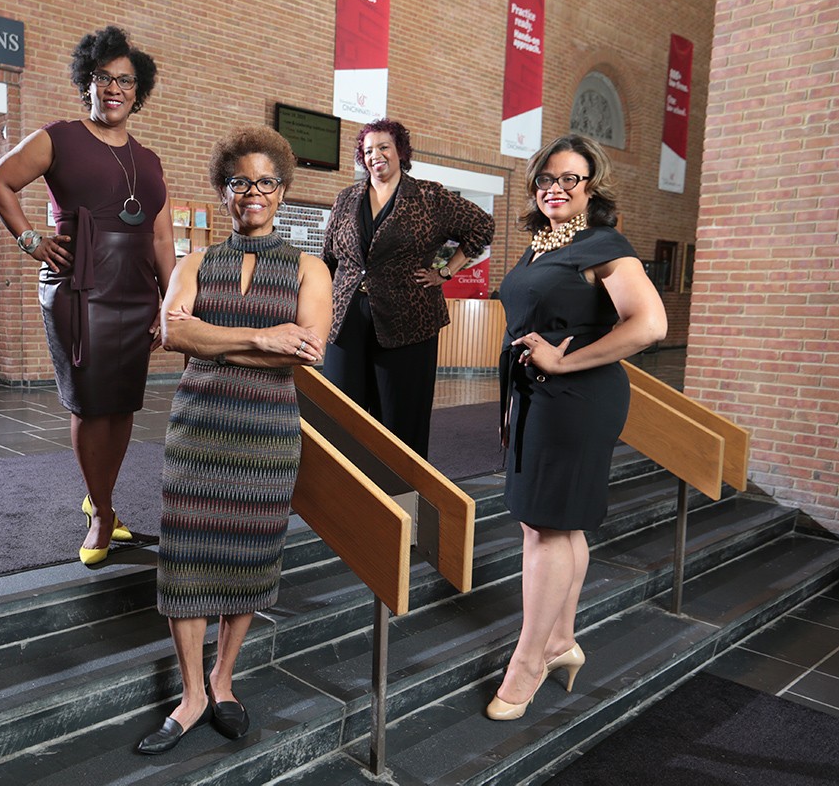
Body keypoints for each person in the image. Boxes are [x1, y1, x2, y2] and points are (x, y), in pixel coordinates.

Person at [135, 127, 332, 754]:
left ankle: (224, 678)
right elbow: (172, 335)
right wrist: (261, 338)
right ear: (224, 191)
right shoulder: (195, 263)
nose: (253, 192)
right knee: (187, 560)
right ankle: (192, 694)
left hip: (267, 437)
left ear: (283, 191)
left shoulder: (310, 267)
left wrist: (218, 337)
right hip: (198, 432)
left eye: (266, 182)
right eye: (240, 182)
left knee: (247, 559)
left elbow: (306, 349)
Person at [488, 134, 667, 720]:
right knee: (556, 527)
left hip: (577, 396)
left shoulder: (604, 244)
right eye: (546, 178)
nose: (555, 188)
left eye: (570, 179)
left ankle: (528, 662)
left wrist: (564, 360)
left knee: (544, 527)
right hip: (537, 397)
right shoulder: (541, 244)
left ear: (592, 187)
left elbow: (649, 325)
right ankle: (561, 639)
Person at [0, 26, 175, 566]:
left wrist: (169, 300)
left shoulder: (150, 159)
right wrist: (30, 239)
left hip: (138, 291)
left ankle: (103, 500)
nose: (114, 89)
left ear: (139, 91)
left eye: (126, 81)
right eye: (104, 78)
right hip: (80, 288)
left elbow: (161, 236)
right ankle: (103, 516)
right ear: (87, 82)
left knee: (122, 406)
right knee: (92, 405)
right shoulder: (58, 137)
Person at [322, 119, 495, 458]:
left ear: (401, 151)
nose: (376, 155)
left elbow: (481, 226)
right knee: (338, 413)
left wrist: (446, 271)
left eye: (384, 147)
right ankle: (343, 496)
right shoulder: (346, 198)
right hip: (346, 320)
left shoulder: (429, 196)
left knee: (400, 418)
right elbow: (329, 257)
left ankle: (402, 496)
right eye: (368, 150)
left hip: (409, 320)